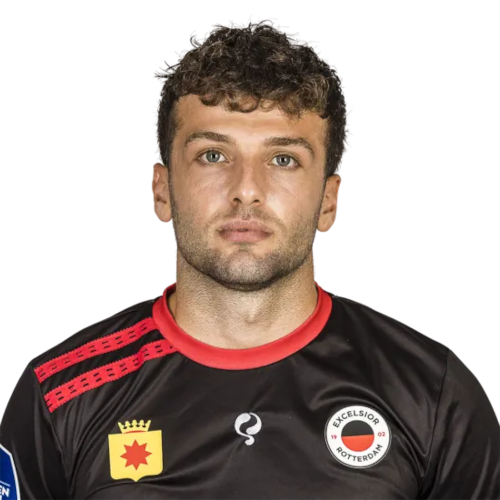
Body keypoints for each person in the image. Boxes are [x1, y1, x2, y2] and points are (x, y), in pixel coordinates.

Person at [0, 16, 498, 500]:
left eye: (283, 159)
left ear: (329, 201)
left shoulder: (433, 393)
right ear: (162, 190)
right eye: (213, 155)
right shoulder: (57, 395)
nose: (246, 189)